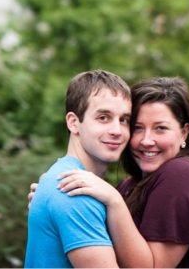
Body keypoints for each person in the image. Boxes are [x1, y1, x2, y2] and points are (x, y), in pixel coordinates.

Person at [53, 77, 189, 268]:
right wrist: (56, 202)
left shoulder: (183, 175)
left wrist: (114, 201)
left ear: (184, 132)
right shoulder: (130, 185)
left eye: (160, 128)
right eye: (137, 128)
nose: (146, 140)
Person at [25, 69, 132, 268]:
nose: (117, 130)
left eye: (124, 120)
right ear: (74, 123)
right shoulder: (74, 189)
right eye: (103, 118)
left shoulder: (67, 179)